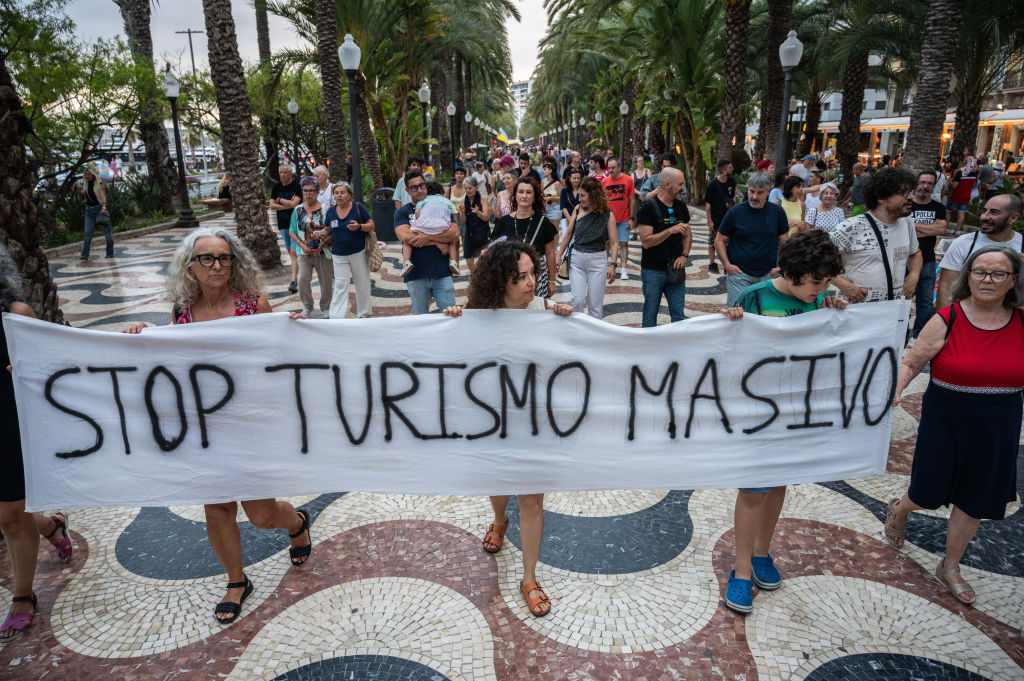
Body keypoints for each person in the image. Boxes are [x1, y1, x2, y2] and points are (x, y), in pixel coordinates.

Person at [123, 227, 313, 624]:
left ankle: (295, 522)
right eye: (206, 258)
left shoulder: (252, 304)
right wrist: (144, 336)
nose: (217, 265)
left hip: (248, 424)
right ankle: (236, 580)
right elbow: (175, 359)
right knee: (218, 509)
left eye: (224, 257)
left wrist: (294, 329)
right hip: (205, 428)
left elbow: (279, 354)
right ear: (190, 266)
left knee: (261, 514)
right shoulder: (182, 310)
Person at [886, 245, 1024, 605]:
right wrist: (896, 390)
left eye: (997, 273)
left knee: (975, 499)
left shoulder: (1022, 323)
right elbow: (912, 362)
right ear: (968, 276)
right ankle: (900, 509)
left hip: (999, 422)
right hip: (946, 416)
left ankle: (950, 566)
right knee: (928, 491)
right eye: (979, 271)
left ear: (1013, 281)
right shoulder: (949, 318)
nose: (987, 279)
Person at [442, 240, 573, 617]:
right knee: (498, 484)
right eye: (521, 277)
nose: (532, 282)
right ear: (501, 282)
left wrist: (564, 319)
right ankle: (499, 520)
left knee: (531, 499)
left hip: (534, 422)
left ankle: (529, 577)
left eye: (533, 274)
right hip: (492, 423)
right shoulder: (478, 314)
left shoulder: (543, 310)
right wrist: (452, 319)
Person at [718, 230, 847, 614]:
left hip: (797, 415)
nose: (823, 288)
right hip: (758, 414)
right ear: (792, 273)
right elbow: (726, 353)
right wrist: (731, 322)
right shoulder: (754, 297)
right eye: (816, 280)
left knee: (777, 484)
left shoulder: (823, 301)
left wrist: (838, 316)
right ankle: (741, 571)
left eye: (827, 280)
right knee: (753, 490)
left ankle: (762, 554)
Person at [0, 246, 75, 643]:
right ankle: (51, 526)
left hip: (8, 419)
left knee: (10, 514)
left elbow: (54, 369)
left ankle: (23, 596)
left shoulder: (16, 314)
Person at [830, 167, 922, 304]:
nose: (911, 197)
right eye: (903, 192)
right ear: (881, 197)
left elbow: (915, 253)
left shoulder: (906, 222)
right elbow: (815, 260)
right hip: (857, 313)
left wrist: (914, 276)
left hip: (894, 312)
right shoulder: (851, 227)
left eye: (911, 192)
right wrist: (844, 285)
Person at [714, 171, 790, 307]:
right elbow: (719, 240)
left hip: (768, 276)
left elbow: (785, 242)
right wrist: (727, 265)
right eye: (751, 191)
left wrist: (780, 267)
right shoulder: (735, 212)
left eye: (760, 192)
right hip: (739, 275)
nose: (754, 196)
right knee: (735, 313)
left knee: (763, 314)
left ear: (768, 191)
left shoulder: (777, 213)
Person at [936, 194, 1023, 310]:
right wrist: (946, 323)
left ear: (1013, 218)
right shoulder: (963, 243)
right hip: (967, 317)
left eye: (994, 212)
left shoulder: (1022, 245)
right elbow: (946, 287)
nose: (984, 217)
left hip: (1011, 320)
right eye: (984, 211)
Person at [394, 169, 459, 314]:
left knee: (450, 316)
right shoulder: (402, 212)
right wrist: (438, 241)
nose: (420, 190)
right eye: (414, 187)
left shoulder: (440, 205)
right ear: (407, 190)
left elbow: (454, 233)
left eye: (422, 185)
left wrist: (427, 237)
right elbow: (406, 237)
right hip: (416, 274)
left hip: (442, 272)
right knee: (420, 318)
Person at [637, 167, 692, 326]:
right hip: (653, 270)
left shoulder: (681, 206)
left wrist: (684, 255)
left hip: (676, 269)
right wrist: (670, 230)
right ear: (667, 185)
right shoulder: (648, 209)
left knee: (678, 316)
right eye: (680, 184)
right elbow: (646, 242)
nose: (683, 188)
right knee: (650, 315)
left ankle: (677, 348)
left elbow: (687, 235)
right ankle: (650, 348)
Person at [556, 177, 618, 318]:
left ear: (594, 195)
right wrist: (558, 257)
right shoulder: (577, 210)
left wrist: (613, 264)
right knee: (577, 301)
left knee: (595, 304)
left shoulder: (608, 214)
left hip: (598, 260)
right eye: (579, 194)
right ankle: (578, 333)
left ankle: (592, 337)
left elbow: (614, 243)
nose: (580, 199)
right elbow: (568, 234)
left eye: (583, 195)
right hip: (577, 259)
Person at [491, 177, 559, 298]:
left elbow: (550, 253)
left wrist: (552, 281)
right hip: (509, 278)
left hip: (536, 278)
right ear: (515, 195)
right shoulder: (503, 222)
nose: (524, 196)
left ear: (534, 196)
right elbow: (494, 251)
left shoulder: (543, 222)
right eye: (521, 192)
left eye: (529, 192)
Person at [325, 181, 374, 319]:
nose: (339, 195)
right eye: (336, 193)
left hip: (358, 252)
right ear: (333, 196)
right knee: (340, 285)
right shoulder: (330, 212)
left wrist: (359, 226)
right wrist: (321, 232)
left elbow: (371, 225)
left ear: (349, 194)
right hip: (338, 254)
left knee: (362, 283)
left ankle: (364, 313)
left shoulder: (358, 207)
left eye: (342, 192)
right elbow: (328, 229)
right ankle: (336, 316)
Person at [908, 171, 948, 337]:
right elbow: (903, 229)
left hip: (928, 260)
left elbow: (941, 229)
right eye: (922, 182)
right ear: (916, 184)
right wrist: (929, 229)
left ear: (933, 186)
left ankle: (919, 336)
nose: (925, 186)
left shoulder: (938, 207)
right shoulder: (907, 205)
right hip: (905, 259)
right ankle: (899, 334)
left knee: (925, 301)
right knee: (900, 299)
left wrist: (912, 226)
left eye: (929, 183)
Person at [289, 176, 333, 317]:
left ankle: (325, 307)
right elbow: (292, 231)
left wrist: (321, 245)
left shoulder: (325, 209)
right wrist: (301, 245)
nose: (308, 193)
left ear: (317, 191)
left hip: (322, 252)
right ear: (302, 191)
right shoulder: (297, 210)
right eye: (305, 190)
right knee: (302, 280)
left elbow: (330, 230)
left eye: (312, 191)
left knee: (325, 281)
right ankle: (307, 306)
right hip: (304, 252)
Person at [401, 180, 460, 277]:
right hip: (442, 226)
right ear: (441, 191)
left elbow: (416, 213)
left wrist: (419, 221)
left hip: (424, 225)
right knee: (453, 240)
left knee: (407, 241)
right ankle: (453, 261)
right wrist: (454, 225)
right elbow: (454, 216)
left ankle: (406, 262)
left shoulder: (423, 200)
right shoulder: (447, 201)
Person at [601, 158, 635, 279]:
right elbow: (602, 201)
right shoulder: (604, 182)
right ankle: (606, 267)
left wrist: (631, 218)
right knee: (607, 244)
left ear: (619, 167)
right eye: (609, 168)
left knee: (623, 243)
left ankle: (624, 269)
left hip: (624, 218)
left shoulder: (628, 180)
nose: (610, 170)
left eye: (613, 168)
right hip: (608, 220)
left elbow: (632, 200)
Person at [270, 164, 302, 293]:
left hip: (295, 224)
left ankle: (294, 280)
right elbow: (272, 205)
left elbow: (295, 204)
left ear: (291, 174)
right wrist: (287, 204)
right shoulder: (276, 187)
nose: (283, 175)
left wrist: (279, 200)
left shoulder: (296, 186)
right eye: (281, 172)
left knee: (294, 252)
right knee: (290, 251)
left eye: (286, 172)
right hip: (283, 224)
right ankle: (298, 273)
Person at [703, 158, 736, 275]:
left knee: (729, 242)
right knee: (712, 242)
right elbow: (708, 205)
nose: (732, 169)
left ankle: (727, 264)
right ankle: (712, 264)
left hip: (728, 217)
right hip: (716, 218)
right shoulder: (712, 185)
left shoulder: (732, 181)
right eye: (730, 168)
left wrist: (733, 208)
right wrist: (709, 221)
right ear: (723, 170)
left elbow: (733, 198)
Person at [79, 165, 113, 260]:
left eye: (89, 174)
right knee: (88, 233)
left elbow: (103, 197)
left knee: (107, 233)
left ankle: (110, 252)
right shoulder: (84, 184)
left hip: (99, 209)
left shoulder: (100, 183)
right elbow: (81, 199)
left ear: (94, 175)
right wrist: (79, 192)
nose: (87, 176)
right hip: (89, 210)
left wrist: (104, 207)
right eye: (86, 174)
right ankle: (84, 254)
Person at [460, 176, 491, 274]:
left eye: (470, 188)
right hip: (470, 233)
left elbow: (486, 218)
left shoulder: (483, 199)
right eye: (466, 188)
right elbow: (463, 221)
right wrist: (462, 212)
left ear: (476, 187)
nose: (468, 190)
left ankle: (484, 278)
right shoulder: (463, 201)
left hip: (482, 232)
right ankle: (475, 278)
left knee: (485, 260)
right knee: (468, 259)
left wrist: (478, 212)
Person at [945, 158, 977, 233]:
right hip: (966, 196)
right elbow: (973, 185)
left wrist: (950, 183)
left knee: (948, 211)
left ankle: (946, 229)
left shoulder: (960, 173)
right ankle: (958, 230)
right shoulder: (974, 174)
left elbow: (954, 186)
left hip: (956, 196)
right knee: (961, 212)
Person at [559, 168, 583, 237]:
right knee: (567, 239)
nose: (576, 180)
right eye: (574, 178)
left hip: (581, 219)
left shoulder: (583, 189)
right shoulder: (564, 191)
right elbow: (563, 207)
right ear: (569, 178)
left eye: (578, 178)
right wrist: (570, 220)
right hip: (567, 219)